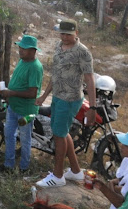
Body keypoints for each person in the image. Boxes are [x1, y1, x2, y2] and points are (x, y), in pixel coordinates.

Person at [35, 20, 96, 188]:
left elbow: (90, 79)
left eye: (68, 34)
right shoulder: (58, 46)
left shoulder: (83, 52)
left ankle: (58, 176)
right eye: (62, 33)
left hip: (69, 99)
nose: (64, 37)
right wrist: (44, 96)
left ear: (76, 33)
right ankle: (76, 171)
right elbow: (56, 74)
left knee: (59, 135)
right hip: (57, 96)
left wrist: (92, 107)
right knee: (62, 132)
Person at [0, 35, 43, 173]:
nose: (20, 50)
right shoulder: (22, 61)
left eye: (24, 49)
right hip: (13, 107)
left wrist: (11, 93)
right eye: (20, 47)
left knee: (25, 139)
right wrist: (8, 94)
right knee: (9, 135)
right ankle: (8, 165)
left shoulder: (35, 67)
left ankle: (24, 168)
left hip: (25, 111)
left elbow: (33, 93)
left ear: (33, 51)